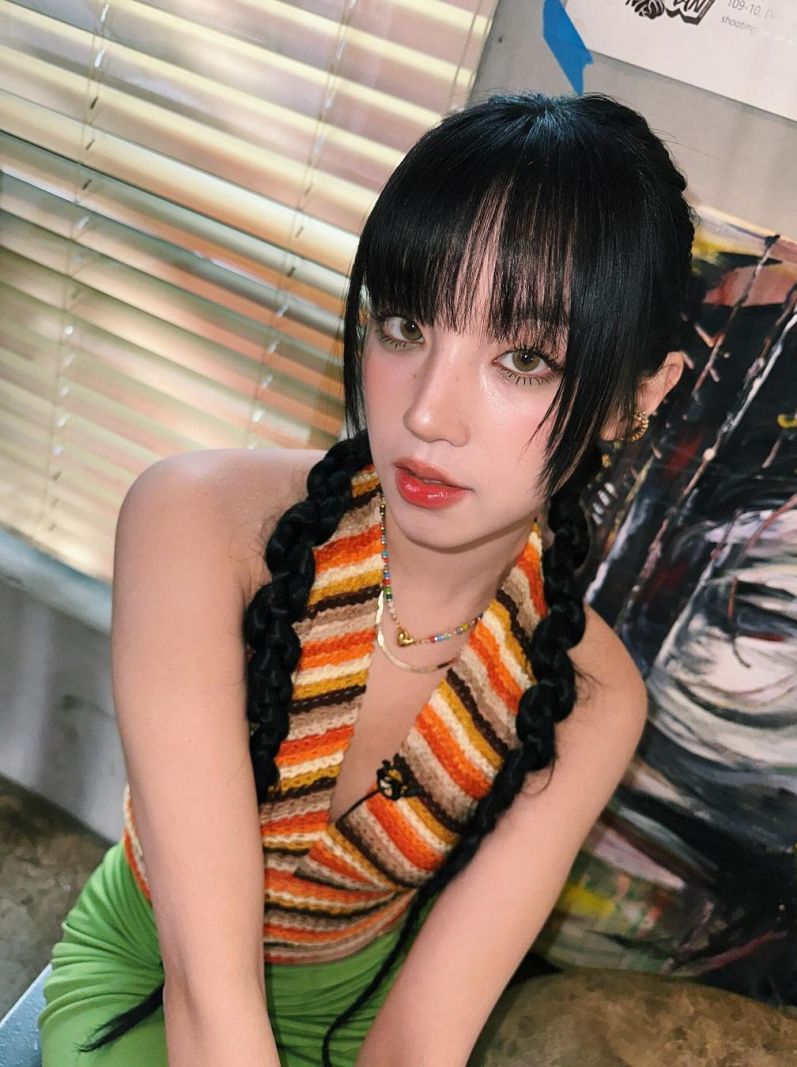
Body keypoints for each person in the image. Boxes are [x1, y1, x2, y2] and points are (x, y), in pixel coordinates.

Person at [37, 91, 694, 1067]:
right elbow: (209, 997)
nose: (427, 412)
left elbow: (420, 1041)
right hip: (157, 978)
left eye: (522, 357)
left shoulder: (589, 694)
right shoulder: (198, 524)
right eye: (404, 324)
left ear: (634, 401)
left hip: (359, 1010)